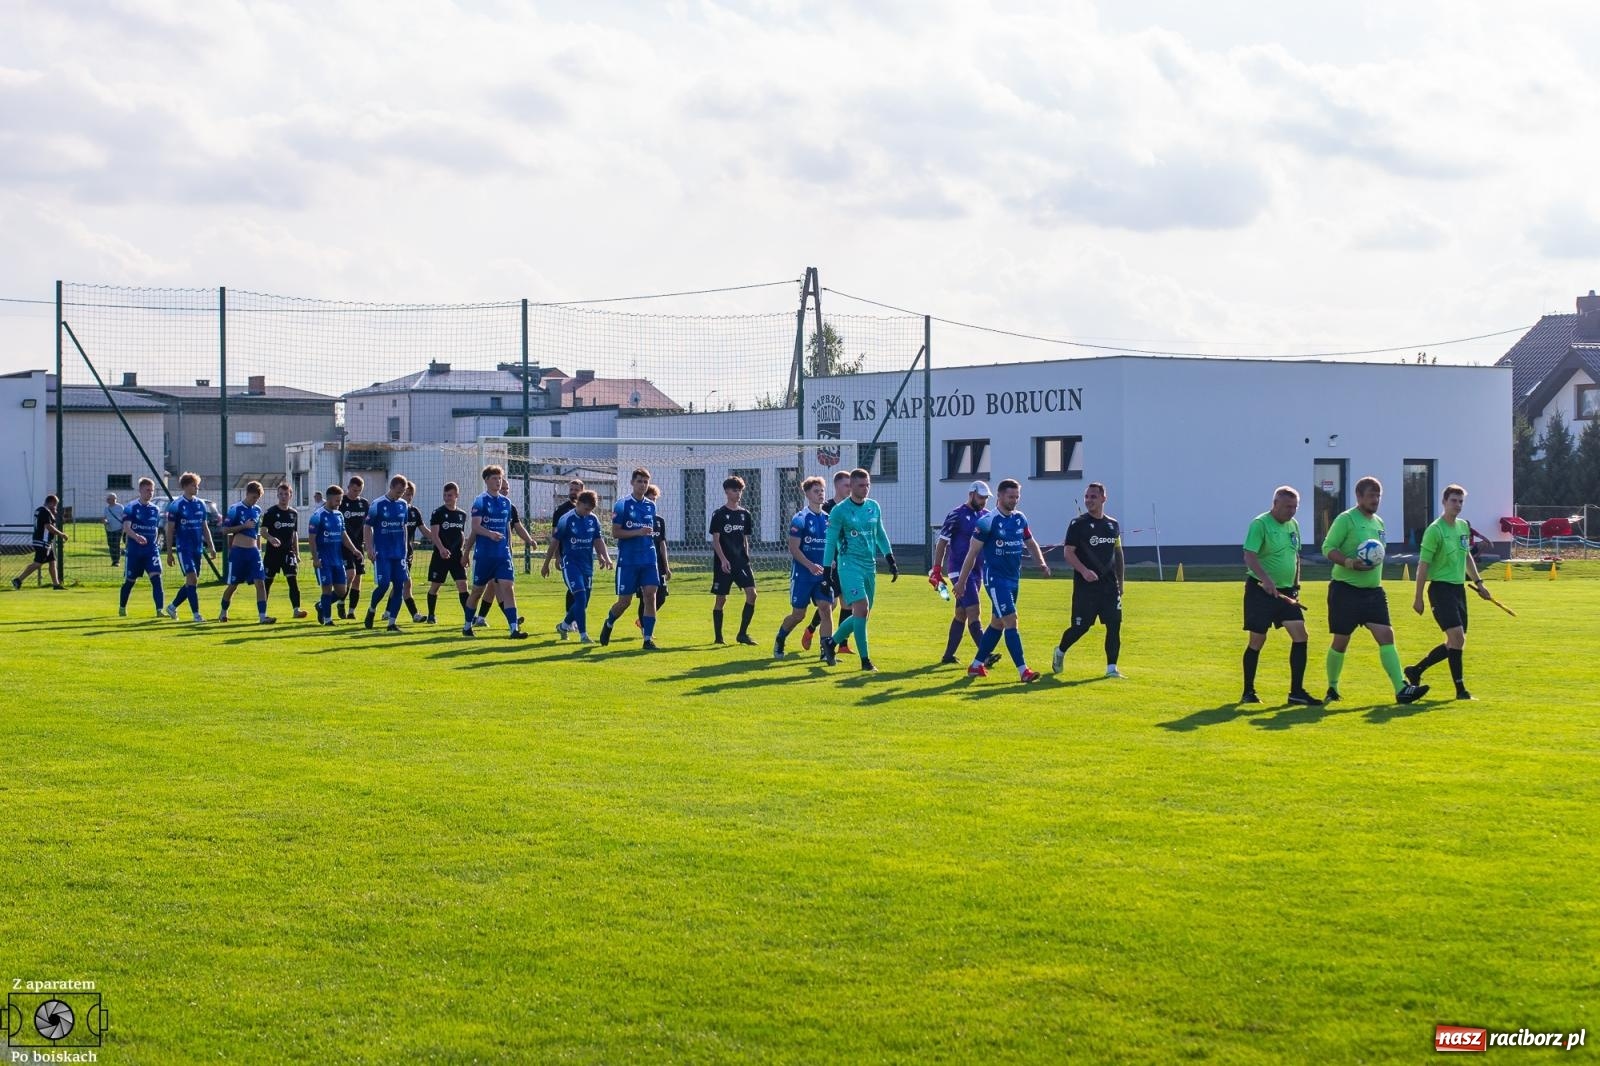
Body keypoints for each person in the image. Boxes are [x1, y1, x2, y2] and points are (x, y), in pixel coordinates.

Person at [1321, 476, 1429, 704]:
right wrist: (1350, 563)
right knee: (1341, 641)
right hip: (1345, 591)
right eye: (1371, 495)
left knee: (1386, 636)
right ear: (1359, 496)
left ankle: (1401, 688)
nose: (1375, 500)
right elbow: (1327, 548)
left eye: (1378, 496)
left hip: (1373, 592)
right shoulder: (1346, 520)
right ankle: (1332, 688)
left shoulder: (1378, 522)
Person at [956, 478, 1048, 682]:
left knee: (997, 623)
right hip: (996, 580)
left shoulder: (1020, 519)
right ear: (999, 496)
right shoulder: (987, 521)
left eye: (1017, 496)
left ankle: (976, 665)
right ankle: (1024, 671)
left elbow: (1030, 542)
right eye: (1010, 496)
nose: (1014, 500)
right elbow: (972, 554)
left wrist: (1041, 562)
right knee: (1011, 620)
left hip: (1014, 578)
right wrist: (961, 582)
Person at [1407, 484, 1492, 701]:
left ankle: (1416, 670)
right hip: (1440, 590)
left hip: (1458, 590)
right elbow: (1423, 566)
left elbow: (1466, 557)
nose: (1458, 505)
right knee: (1456, 637)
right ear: (1444, 502)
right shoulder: (1435, 530)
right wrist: (1418, 598)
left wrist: (1479, 583)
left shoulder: (1463, 527)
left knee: (1457, 642)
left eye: (1461, 501)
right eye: (1454, 500)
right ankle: (1461, 690)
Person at [1240, 487, 1319, 705]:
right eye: (1287, 507)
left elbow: (1296, 556)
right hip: (1260, 591)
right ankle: (1248, 691)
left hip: (1286, 593)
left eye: (1295, 507)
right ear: (1275, 504)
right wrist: (1265, 580)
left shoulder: (1294, 525)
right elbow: (1250, 555)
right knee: (1258, 639)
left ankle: (1296, 692)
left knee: (1301, 635)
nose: (1291, 511)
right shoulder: (1260, 524)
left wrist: (1296, 586)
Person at [820, 467, 898, 672]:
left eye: (868, 485)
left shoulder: (874, 507)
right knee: (861, 608)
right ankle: (865, 661)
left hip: (869, 566)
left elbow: (880, 533)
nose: (865, 489)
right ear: (851, 486)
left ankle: (830, 642)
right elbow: (830, 543)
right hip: (848, 565)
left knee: (862, 615)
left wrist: (890, 558)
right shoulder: (839, 511)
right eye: (861, 485)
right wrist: (827, 571)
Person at [1054, 482, 1126, 678]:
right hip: (1086, 588)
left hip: (1110, 587)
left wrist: (1121, 582)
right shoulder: (1078, 524)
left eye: (1093, 496)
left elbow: (1118, 554)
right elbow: (1068, 553)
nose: (1089, 500)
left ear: (1104, 498)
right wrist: (1084, 571)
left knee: (1114, 625)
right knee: (1081, 627)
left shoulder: (1113, 525)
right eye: (1087, 497)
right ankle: (1060, 651)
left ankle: (1112, 668)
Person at [930, 481, 1000, 666]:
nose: (984, 501)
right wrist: (937, 569)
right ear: (971, 495)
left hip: (977, 572)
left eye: (986, 498)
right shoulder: (956, 514)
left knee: (961, 614)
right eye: (981, 497)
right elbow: (942, 543)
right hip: (958, 570)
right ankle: (985, 654)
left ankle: (947, 656)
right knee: (974, 611)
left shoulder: (987, 516)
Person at [599, 468, 661, 649]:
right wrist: (638, 532)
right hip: (628, 561)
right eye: (639, 481)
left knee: (651, 595)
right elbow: (615, 532)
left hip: (649, 558)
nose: (642, 485)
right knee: (624, 602)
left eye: (645, 482)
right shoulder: (622, 504)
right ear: (632, 483)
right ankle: (609, 623)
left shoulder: (651, 505)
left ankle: (647, 639)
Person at [461, 465, 526, 639]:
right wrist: (488, 535)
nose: (498, 481)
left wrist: (511, 548)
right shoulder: (480, 500)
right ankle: (467, 626)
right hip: (484, 556)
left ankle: (514, 629)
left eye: (500, 478)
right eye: (494, 478)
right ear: (486, 480)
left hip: (502, 555)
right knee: (477, 592)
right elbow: (475, 527)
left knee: (508, 588)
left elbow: (507, 528)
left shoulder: (506, 503)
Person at [774, 476, 833, 658]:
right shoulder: (800, 518)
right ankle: (780, 638)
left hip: (822, 576)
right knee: (798, 615)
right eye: (816, 491)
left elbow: (834, 545)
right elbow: (793, 548)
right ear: (807, 494)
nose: (820, 494)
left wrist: (833, 562)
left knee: (826, 608)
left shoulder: (829, 519)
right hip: (803, 575)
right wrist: (810, 565)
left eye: (822, 490)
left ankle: (826, 650)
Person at [544, 488, 612, 642]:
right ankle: (583, 635)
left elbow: (598, 540)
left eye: (591, 510)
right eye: (586, 509)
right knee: (580, 598)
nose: (588, 512)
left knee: (584, 602)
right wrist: (546, 563)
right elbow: (555, 541)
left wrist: (605, 557)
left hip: (586, 565)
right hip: (570, 564)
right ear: (579, 504)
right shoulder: (566, 519)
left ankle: (563, 626)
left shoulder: (593, 519)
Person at [800, 470, 853, 654]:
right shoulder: (827, 508)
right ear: (837, 485)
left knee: (847, 603)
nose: (850, 488)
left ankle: (843, 644)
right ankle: (811, 629)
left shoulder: (851, 507)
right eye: (847, 485)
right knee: (830, 605)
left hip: (845, 563)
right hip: (829, 565)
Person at [217, 480, 276, 624]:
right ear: (247, 493)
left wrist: (259, 549)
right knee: (233, 585)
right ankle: (223, 612)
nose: (255, 500)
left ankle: (263, 616)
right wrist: (243, 526)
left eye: (257, 498)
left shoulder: (257, 510)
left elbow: (256, 532)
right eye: (253, 497)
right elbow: (225, 530)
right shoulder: (235, 508)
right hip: (238, 551)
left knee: (260, 582)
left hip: (253, 552)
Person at [709, 475, 758, 645]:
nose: (738, 494)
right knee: (721, 599)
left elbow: (745, 538)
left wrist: (747, 557)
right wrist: (723, 560)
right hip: (724, 563)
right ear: (727, 492)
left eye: (740, 491)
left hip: (741, 563)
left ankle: (742, 634)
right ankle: (718, 637)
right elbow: (716, 540)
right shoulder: (719, 514)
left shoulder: (745, 514)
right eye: (735, 490)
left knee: (752, 594)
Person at [163, 473, 215, 621]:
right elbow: (170, 530)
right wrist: (169, 552)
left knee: (192, 582)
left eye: (197, 485)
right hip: (183, 548)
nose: (197, 488)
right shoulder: (176, 505)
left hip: (197, 549)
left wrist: (211, 546)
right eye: (194, 485)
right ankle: (196, 615)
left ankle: (172, 607)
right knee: (191, 578)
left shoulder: (201, 504)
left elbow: (204, 527)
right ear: (185, 486)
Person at [364, 475, 412, 632]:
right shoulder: (377, 504)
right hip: (383, 552)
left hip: (399, 553)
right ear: (391, 487)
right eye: (398, 491)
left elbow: (404, 526)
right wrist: (370, 548)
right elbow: (367, 527)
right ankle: (371, 609)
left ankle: (392, 623)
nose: (400, 494)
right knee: (384, 585)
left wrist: (405, 548)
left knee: (399, 586)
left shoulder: (404, 505)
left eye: (402, 492)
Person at [307, 486, 359, 626]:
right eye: (337, 500)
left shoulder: (339, 515)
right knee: (327, 589)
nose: (339, 503)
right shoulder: (318, 516)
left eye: (340, 500)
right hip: (324, 560)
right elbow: (311, 539)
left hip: (338, 560)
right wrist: (315, 558)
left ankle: (321, 606)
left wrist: (354, 550)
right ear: (329, 498)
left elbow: (343, 535)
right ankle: (327, 619)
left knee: (342, 591)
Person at [117, 478, 165, 617]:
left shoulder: (155, 509)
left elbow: (155, 528)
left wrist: (155, 542)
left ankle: (159, 610)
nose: (150, 493)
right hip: (135, 552)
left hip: (151, 551)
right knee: (130, 581)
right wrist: (137, 537)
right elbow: (126, 528)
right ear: (140, 490)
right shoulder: (131, 507)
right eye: (147, 490)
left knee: (156, 578)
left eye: (152, 490)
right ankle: (122, 607)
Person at [261, 482, 307, 619]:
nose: (283, 497)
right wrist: (271, 538)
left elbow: (294, 534)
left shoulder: (294, 513)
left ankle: (296, 609)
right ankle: (263, 612)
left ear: (290, 496)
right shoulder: (271, 512)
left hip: (288, 553)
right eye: (281, 494)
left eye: (286, 494)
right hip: (272, 553)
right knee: (267, 582)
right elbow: (263, 531)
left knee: (292, 580)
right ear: (277, 495)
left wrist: (297, 553)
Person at [425, 482, 469, 623]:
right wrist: (442, 549)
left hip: (456, 557)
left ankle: (469, 616)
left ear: (457, 496)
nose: (447, 498)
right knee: (435, 586)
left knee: (463, 585)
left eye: (450, 495)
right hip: (441, 556)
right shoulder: (438, 513)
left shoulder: (462, 514)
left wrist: (464, 553)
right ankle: (431, 615)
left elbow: (461, 535)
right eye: (445, 495)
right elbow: (434, 534)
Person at [12, 494, 67, 591]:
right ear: (51, 502)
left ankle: (56, 584)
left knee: (52, 562)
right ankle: (18, 580)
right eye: (55, 504)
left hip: (44, 541)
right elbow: (48, 527)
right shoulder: (45, 511)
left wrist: (52, 514)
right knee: (38, 563)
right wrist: (61, 534)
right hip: (42, 541)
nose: (55, 507)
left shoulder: (40, 510)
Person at [636, 484, 672, 629]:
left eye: (654, 500)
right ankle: (645, 629)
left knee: (661, 597)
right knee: (645, 599)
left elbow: (662, 544)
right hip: (643, 565)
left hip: (658, 566)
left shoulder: (659, 521)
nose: (652, 503)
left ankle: (644, 620)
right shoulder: (638, 520)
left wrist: (667, 567)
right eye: (649, 500)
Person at [553, 477, 584, 619]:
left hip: (583, 557)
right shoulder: (561, 511)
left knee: (582, 588)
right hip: (567, 555)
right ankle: (570, 619)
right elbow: (555, 536)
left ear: (582, 491)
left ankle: (573, 618)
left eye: (576, 490)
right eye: (571, 489)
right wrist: (557, 556)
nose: (573, 492)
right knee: (573, 587)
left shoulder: (587, 510)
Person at [339, 475, 370, 619]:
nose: (356, 493)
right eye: (354, 490)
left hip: (359, 545)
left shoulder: (364, 504)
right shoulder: (341, 502)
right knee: (350, 574)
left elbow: (368, 525)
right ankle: (340, 601)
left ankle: (351, 611)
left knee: (358, 578)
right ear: (348, 487)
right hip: (344, 545)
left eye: (359, 491)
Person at [401, 480, 425, 622]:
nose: (408, 497)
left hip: (409, 554)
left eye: (410, 494)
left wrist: (439, 542)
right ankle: (415, 615)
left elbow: (424, 530)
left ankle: (385, 611)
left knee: (400, 585)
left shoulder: (414, 512)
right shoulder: (396, 510)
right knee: (407, 583)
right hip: (396, 554)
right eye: (406, 493)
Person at [103, 492, 125, 566]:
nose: (107, 500)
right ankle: (113, 560)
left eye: (108, 499)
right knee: (111, 545)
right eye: (107, 499)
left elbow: (124, 518)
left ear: (114, 499)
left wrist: (124, 527)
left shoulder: (120, 507)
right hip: (109, 529)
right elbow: (104, 517)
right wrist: (105, 521)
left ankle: (117, 561)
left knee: (116, 544)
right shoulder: (106, 508)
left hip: (118, 529)